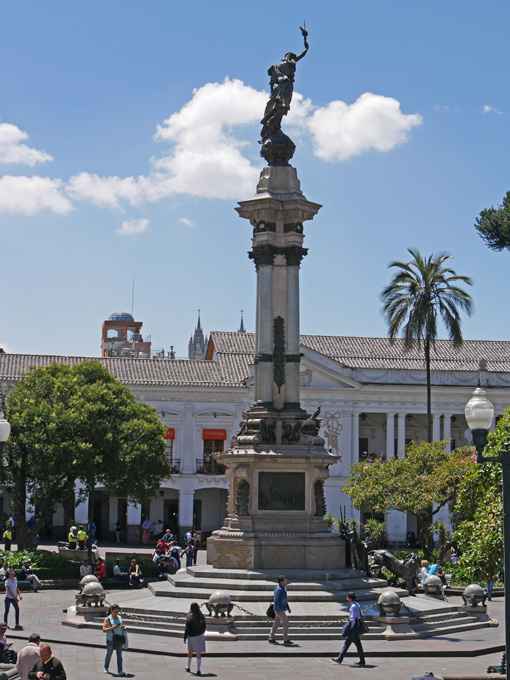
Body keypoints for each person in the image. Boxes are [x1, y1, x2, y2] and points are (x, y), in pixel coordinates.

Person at [332, 592, 366, 666]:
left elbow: (353, 619)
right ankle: (340, 659)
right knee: (349, 644)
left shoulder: (353, 607)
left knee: (352, 644)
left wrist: (350, 629)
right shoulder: (357, 604)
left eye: (347, 597)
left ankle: (340, 659)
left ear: (350, 599)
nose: (347, 599)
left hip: (353, 628)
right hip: (356, 627)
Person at [102, 603, 126, 676]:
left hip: (119, 639)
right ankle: (106, 667)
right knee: (109, 653)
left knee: (119, 655)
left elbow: (120, 625)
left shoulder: (119, 618)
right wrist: (113, 627)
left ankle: (120, 670)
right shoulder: (108, 619)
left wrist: (122, 627)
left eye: (117, 612)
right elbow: (104, 629)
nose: (116, 613)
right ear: (111, 611)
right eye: (115, 612)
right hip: (111, 639)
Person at [268, 575, 292, 645]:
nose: (286, 581)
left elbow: (284, 600)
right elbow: (276, 601)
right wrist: (277, 611)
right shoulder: (279, 590)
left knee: (276, 623)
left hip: (281, 608)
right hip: (279, 609)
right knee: (286, 622)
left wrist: (288, 608)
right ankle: (285, 638)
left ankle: (271, 637)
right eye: (285, 580)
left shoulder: (283, 589)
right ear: (281, 582)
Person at [184, 601, 206, 675]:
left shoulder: (189, 617)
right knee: (198, 653)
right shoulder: (201, 616)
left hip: (192, 637)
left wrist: (184, 637)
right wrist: (201, 633)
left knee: (190, 651)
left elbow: (187, 629)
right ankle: (198, 669)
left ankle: (188, 666)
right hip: (199, 636)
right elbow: (204, 627)